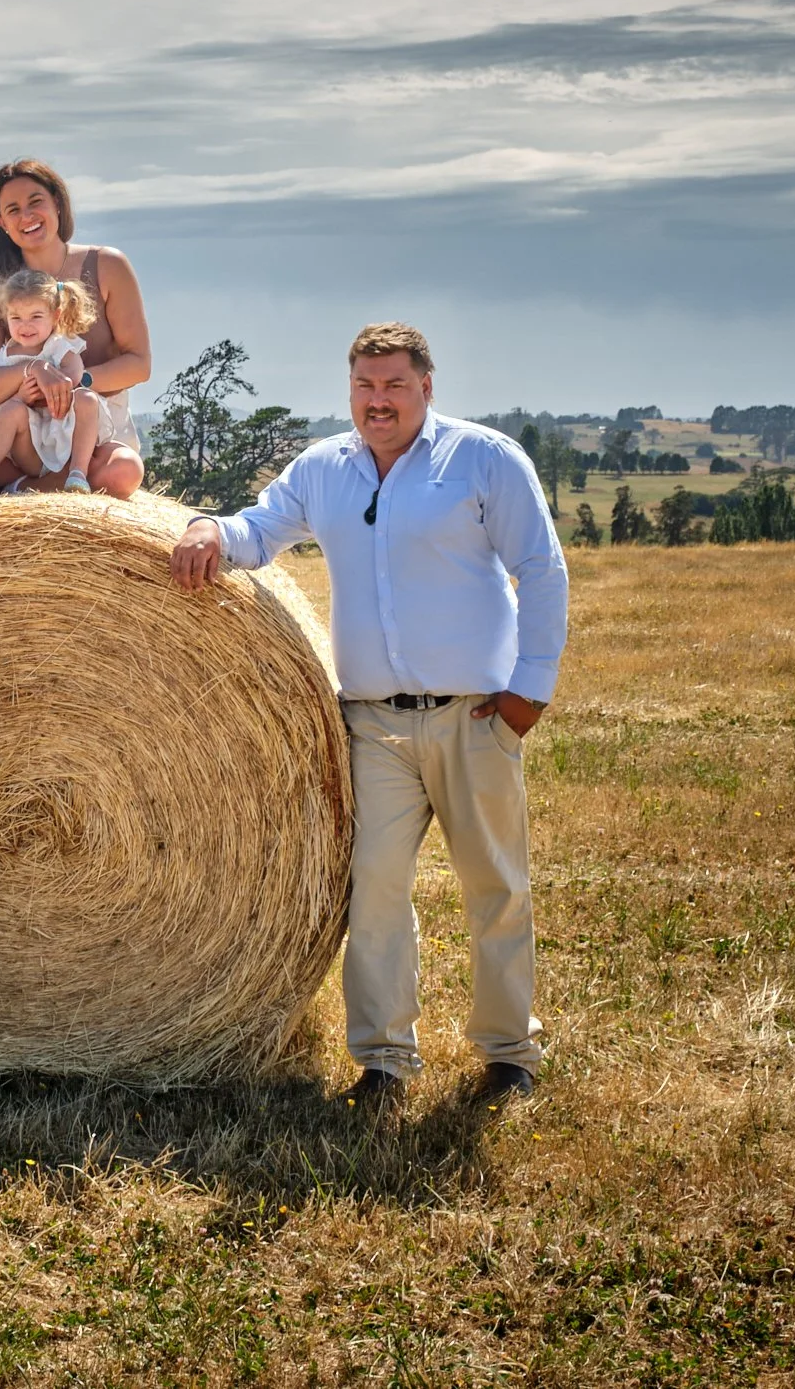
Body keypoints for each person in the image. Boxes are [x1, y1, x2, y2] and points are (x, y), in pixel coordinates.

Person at [170, 323, 568, 1109]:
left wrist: (528, 693)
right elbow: (263, 529)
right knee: (374, 890)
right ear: (349, 388)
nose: (377, 400)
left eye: (392, 385)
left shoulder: (482, 459)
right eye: (364, 386)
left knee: (495, 885)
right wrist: (208, 528)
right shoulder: (325, 469)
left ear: (426, 385)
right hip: (373, 724)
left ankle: (508, 1052)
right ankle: (384, 1060)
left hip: (474, 714)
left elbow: (540, 569)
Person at [0, 158, 150, 499]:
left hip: (88, 428)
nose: (26, 216)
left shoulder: (107, 266)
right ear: (2, 223)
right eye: (13, 209)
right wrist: (35, 370)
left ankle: (19, 491)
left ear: (57, 202)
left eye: (35, 202)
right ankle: (11, 482)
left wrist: (73, 383)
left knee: (123, 473)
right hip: (20, 430)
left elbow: (138, 364)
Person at [0, 268, 101, 499]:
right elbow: (1, 399)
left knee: (88, 399)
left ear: (56, 316)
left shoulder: (57, 345)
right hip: (28, 447)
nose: (25, 325)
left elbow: (75, 370)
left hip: (61, 430)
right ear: (6, 317)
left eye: (36, 317)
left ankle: (78, 473)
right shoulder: (7, 355)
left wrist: (56, 387)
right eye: (16, 318)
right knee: (10, 410)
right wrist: (20, 397)